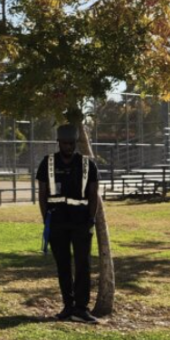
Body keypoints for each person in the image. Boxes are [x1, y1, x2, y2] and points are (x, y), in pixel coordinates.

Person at [36, 124, 101, 324]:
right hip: (57, 222)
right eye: (65, 143)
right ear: (58, 143)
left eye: (71, 143)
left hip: (80, 222)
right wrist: (46, 219)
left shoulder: (87, 165)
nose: (68, 147)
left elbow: (93, 194)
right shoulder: (47, 163)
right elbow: (43, 193)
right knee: (63, 266)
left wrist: (91, 219)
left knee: (83, 265)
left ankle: (81, 308)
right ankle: (67, 306)